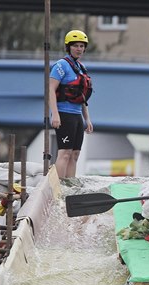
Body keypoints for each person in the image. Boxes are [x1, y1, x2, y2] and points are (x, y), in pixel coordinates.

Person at [48, 30, 94, 179]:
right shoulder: (61, 65)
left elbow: (82, 97)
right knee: (65, 153)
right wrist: (55, 114)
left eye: (81, 46)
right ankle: (58, 189)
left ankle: (69, 187)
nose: (79, 49)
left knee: (74, 154)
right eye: (75, 46)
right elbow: (50, 89)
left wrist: (87, 119)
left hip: (76, 116)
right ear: (69, 47)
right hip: (63, 114)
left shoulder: (81, 67)